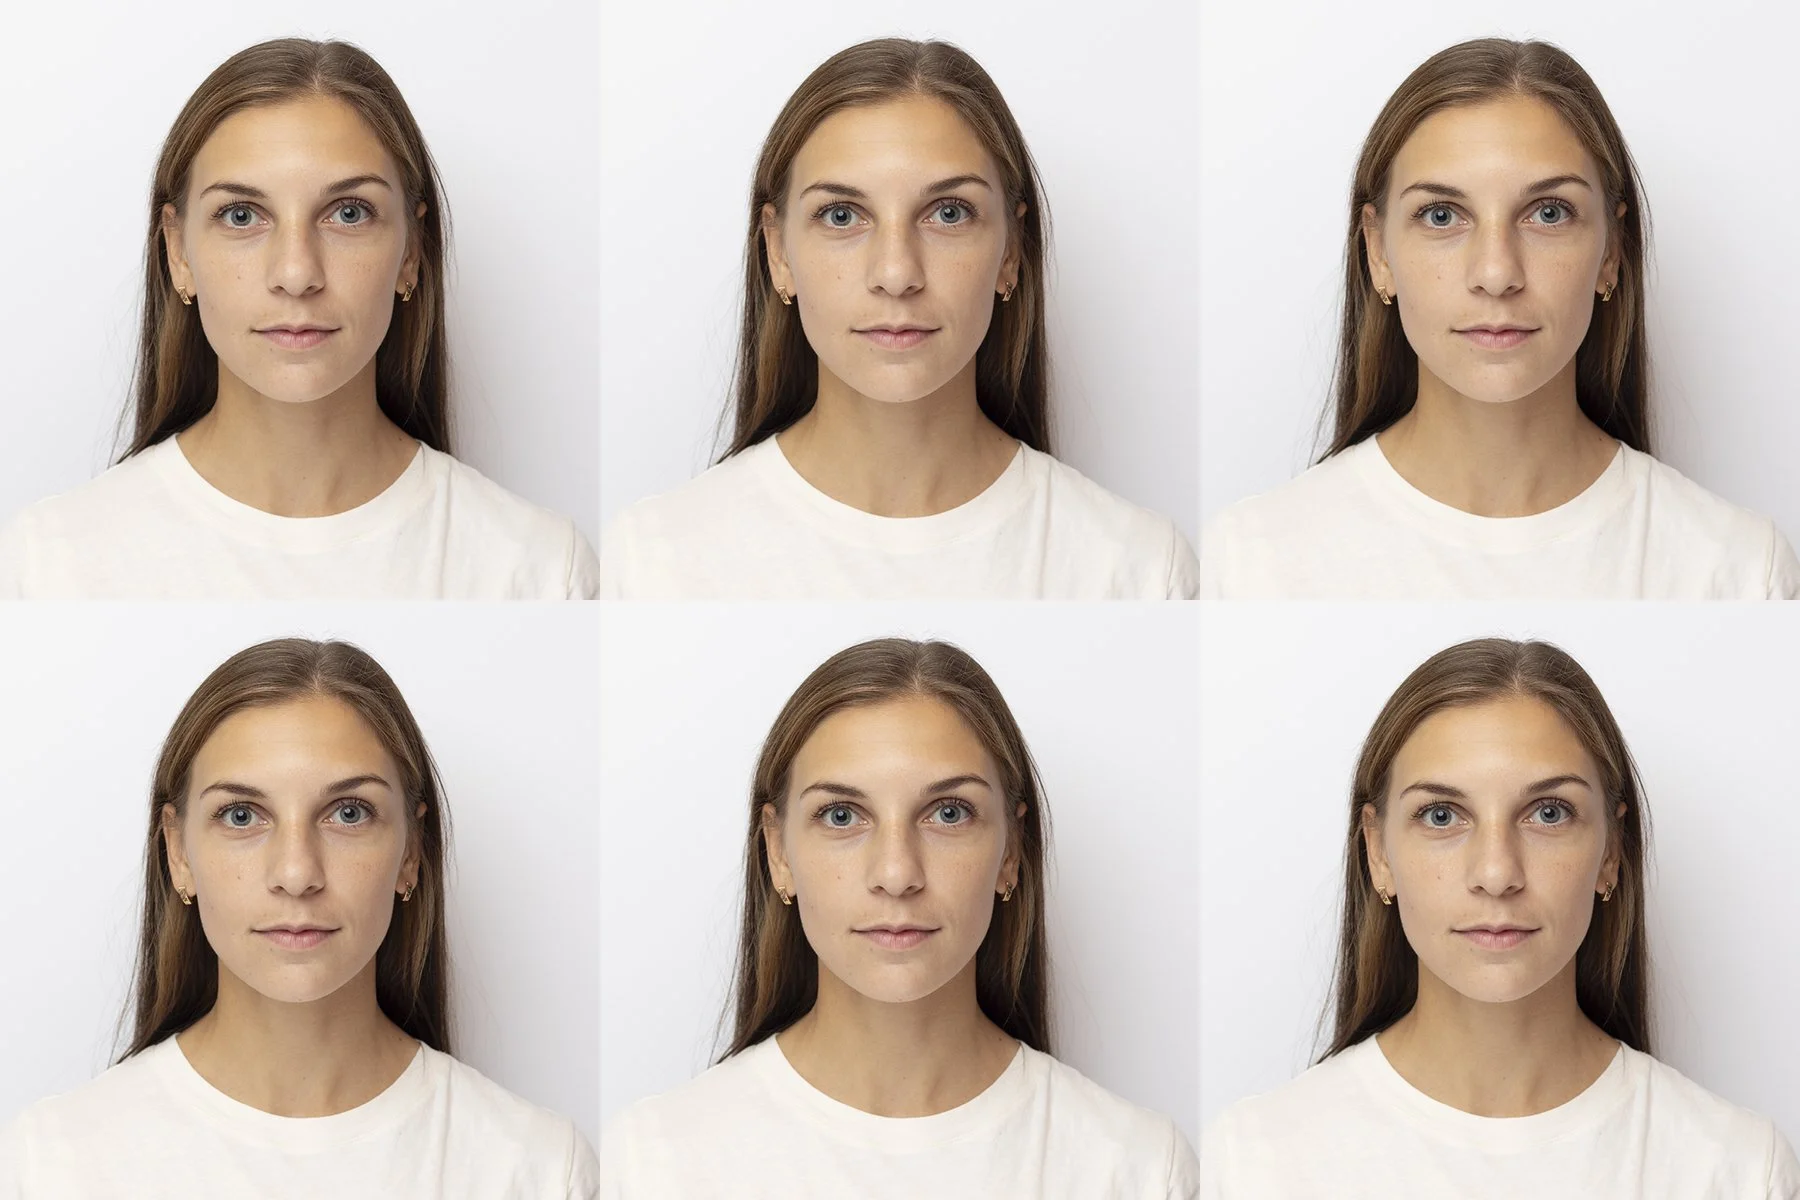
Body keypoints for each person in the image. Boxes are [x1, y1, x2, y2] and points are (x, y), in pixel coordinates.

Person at [1200, 38, 1798, 599]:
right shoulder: (1254, 561)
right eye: (1441, 215)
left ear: (1611, 251)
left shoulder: (1740, 569)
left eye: (1549, 213)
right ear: (1378, 253)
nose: (1495, 272)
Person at [1200, 638, 1800, 1197]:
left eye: (1548, 813)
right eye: (1441, 815)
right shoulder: (1257, 1160)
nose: (1495, 872)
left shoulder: (1737, 1167)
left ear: (1611, 852)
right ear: (1378, 854)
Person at [0, 39, 598, 599]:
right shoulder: (51, 565)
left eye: (348, 212)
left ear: (411, 251)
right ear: (178, 253)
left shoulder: (540, 567)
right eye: (241, 215)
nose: (295, 272)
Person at [599, 39, 1196, 600]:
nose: (895, 272)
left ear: (1010, 250)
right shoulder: (654, 563)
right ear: (778, 253)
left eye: (948, 212)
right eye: (840, 215)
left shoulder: (1138, 567)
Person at [0, 638, 598, 1197]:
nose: (295, 872)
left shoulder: (537, 1167)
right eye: (241, 815)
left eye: (349, 813)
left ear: (410, 852)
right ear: (178, 853)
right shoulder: (55, 1163)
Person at [601, 638, 1196, 1196]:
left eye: (948, 813)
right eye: (841, 815)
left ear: (1010, 852)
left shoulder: (1137, 1166)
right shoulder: (654, 1162)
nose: (896, 872)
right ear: (778, 854)